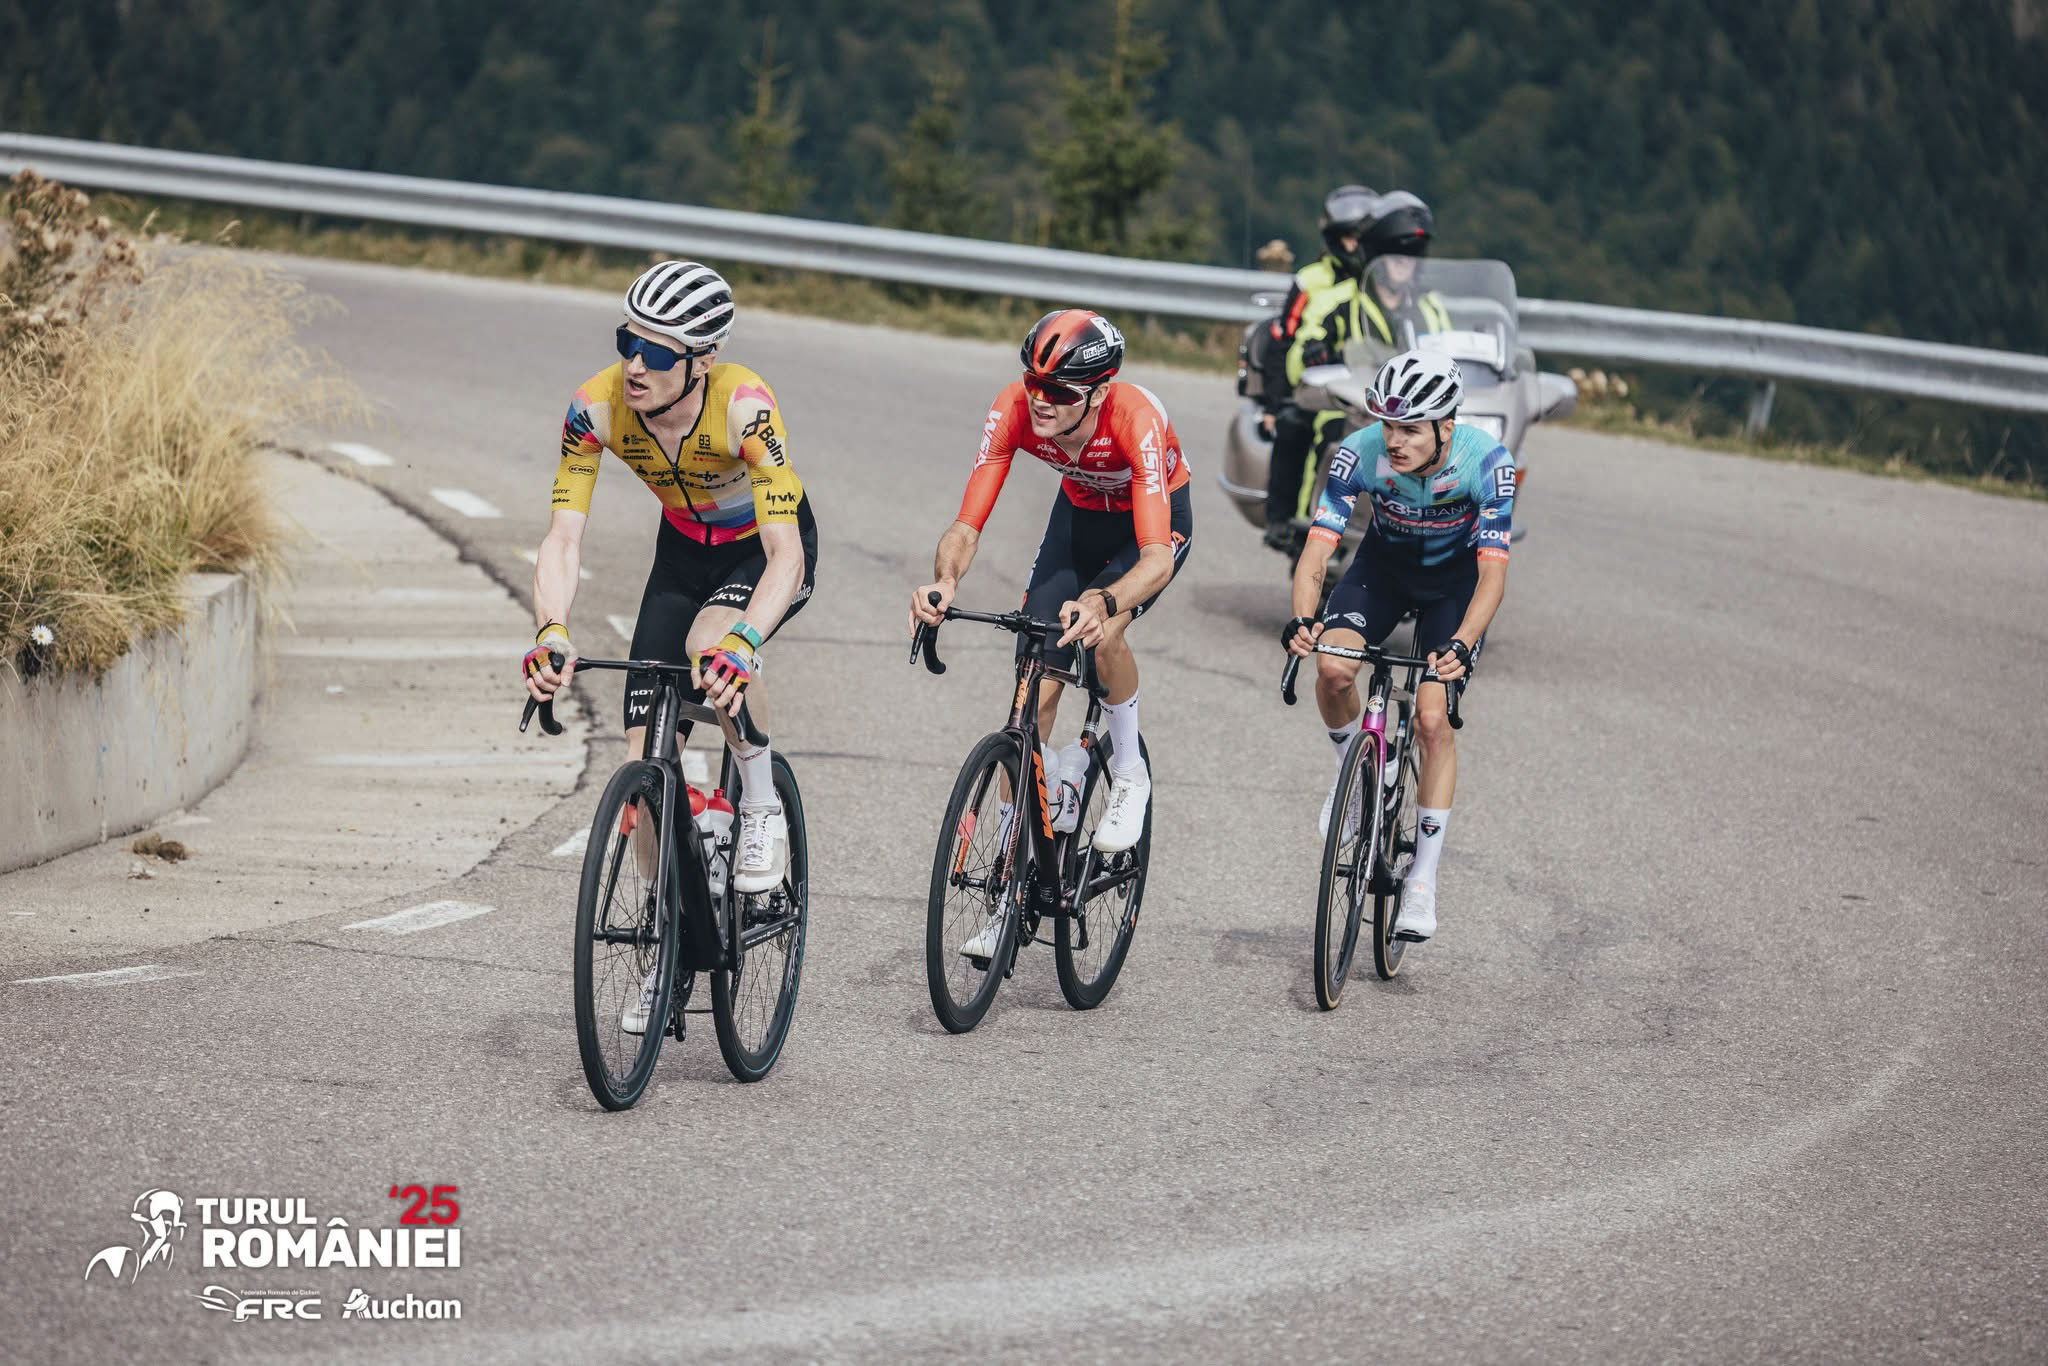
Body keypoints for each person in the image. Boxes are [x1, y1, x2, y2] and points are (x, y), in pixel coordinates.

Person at [525, 260, 819, 1023]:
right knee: (643, 759)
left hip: (760, 553)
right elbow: (562, 538)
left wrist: (746, 640)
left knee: (710, 645)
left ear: (702, 359)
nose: (635, 365)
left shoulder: (745, 408)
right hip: (682, 553)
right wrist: (551, 628)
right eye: (627, 342)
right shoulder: (594, 409)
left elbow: (786, 556)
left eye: (656, 352)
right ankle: (671, 937)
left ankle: (759, 801)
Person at [910, 310, 1194, 952]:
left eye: (1059, 391)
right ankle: (1011, 894)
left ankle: (1128, 772)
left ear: (1097, 392)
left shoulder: (1134, 419)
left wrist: (1105, 600)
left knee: (1105, 632)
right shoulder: (1014, 407)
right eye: (1033, 383)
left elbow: (1155, 559)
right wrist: (944, 582)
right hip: (1079, 519)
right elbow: (967, 524)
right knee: (1031, 698)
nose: (1040, 399)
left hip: (1152, 527)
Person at [1282, 349, 1515, 943]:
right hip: (1382, 571)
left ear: (1446, 427)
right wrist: (1303, 617)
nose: (1394, 440)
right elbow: (1318, 549)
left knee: (1433, 719)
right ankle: (1360, 776)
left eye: (1410, 429)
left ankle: (1422, 881)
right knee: (1334, 669)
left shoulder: (1488, 462)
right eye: (1388, 425)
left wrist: (1462, 643)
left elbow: (1492, 576)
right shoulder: (1357, 452)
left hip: (1454, 587)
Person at [1275, 191, 1453, 536]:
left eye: (1411, 255)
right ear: (1374, 254)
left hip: (1416, 417)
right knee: (1330, 436)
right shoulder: (1340, 302)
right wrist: (1313, 354)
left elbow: (1451, 361)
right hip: (1352, 412)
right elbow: (1298, 358)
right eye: (1394, 253)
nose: (1403, 262)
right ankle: (1313, 526)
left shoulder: (1431, 309)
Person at [1257, 184, 1377, 551]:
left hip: (1372, 386)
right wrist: (1273, 403)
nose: (1355, 245)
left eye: (1361, 237)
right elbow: (1282, 339)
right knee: (1293, 424)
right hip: (1314, 385)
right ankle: (1285, 520)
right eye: (1348, 237)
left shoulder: (1382, 282)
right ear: (1334, 239)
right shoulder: (1310, 280)